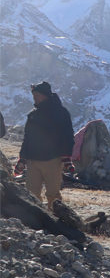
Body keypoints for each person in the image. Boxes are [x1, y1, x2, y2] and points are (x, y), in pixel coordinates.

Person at [15, 82, 75, 210]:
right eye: (34, 95)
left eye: (37, 95)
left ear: (46, 95)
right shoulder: (33, 114)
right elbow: (27, 138)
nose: (34, 97)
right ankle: (37, 219)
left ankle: (56, 219)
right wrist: (23, 158)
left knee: (53, 194)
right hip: (33, 160)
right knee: (32, 193)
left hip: (53, 159)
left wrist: (66, 156)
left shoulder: (60, 113)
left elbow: (68, 136)